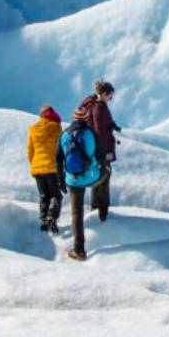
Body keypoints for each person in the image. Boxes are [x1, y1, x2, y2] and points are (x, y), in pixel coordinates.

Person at [60, 111, 106, 261]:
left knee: (76, 213)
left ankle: (79, 250)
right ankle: (102, 212)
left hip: (73, 180)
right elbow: (101, 155)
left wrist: (61, 180)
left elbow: (57, 158)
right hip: (92, 177)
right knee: (106, 175)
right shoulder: (91, 134)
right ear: (87, 119)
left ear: (73, 119)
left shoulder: (65, 135)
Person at [75, 81, 124, 222]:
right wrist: (108, 150)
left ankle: (95, 207)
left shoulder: (89, 104)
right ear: (103, 94)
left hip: (90, 148)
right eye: (110, 96)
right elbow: (100, 131)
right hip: (101, 149)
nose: (111, 99)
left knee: (97, 175)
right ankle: (103, 212)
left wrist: (111, 125)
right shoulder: (100, 109)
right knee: (105, 176)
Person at [27, 105, 64, 234]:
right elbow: (61, 149)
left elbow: (30, 151)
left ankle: (43, 220)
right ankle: (52, 218)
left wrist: (35, 165)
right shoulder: (57, 128)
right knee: (56, 195)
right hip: (52, 168)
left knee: (44, 196)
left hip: (37, 169)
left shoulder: (34, 129)